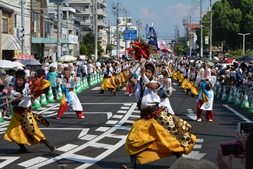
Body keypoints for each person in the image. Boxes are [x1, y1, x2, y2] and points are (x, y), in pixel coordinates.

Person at [122, 58, 196, 169]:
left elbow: (149, 85)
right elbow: (128, 78)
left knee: (170, 137)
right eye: (146, 71)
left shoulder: (155, 83)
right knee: (132, 139)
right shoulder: (137, 84)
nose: (146, 73)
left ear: (152, 74)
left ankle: (180, 160)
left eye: (149, 72)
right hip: (144, 117)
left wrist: (143, 74)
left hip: (157, 115)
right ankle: (133, 164)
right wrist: (138, 64)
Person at [4, 70, 56, 153]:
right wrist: (16, 94)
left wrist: (30, 96)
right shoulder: (13, 83)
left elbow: (30, 94)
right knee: (13, 132)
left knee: (32, 130)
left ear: (24, 80)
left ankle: (47, 142)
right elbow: (10, 90)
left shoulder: (28, 86)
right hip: (16, 113)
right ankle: (22, 148)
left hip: (25, 113)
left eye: (20, 80)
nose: (18, 82)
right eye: (17, 80)